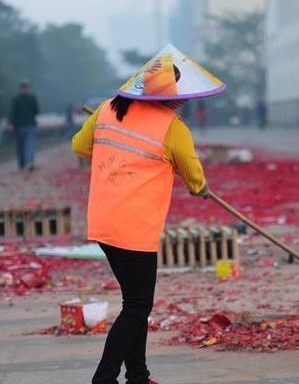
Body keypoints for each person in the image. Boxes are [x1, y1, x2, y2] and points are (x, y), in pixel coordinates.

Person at [71, 43, 225, 384]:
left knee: (134, 304)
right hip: (134, 230)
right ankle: (104, 378)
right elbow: (192, 171)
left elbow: (80, 146)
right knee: (138, 307)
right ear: (172, 97)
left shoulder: (109, 108)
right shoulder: (172, 126)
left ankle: (138, 377)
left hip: (103, 221)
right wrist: (199, 188)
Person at [8, 80, 39, 171]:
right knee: (30, 145)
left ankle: (21, 165)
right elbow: (36, 111)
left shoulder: (16, 99)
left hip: (19, 126)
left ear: (20, 88)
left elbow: (12, 113)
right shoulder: (32, 99)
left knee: (20, 146)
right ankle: (29, 162)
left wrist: (11, 123)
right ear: (28, 88)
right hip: (30, 125)